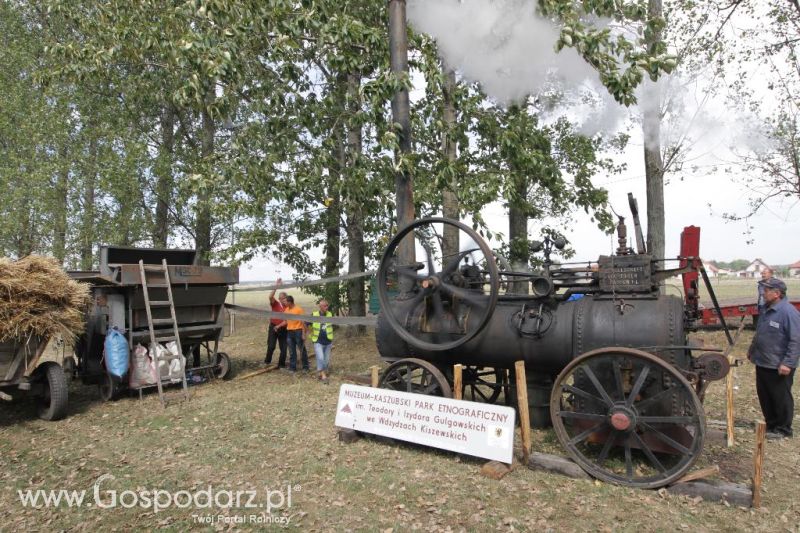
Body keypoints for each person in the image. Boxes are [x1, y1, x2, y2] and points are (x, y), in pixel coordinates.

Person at [747, 277, 799, 440]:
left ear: (777, 294)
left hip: (779, 365)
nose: (763, 293)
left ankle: (783, 429)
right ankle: (771, 424)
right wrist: (752, 350)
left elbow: (796, 340)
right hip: (763, 362)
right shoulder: (766, 309)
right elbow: (760, 333)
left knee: (780, 396)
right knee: (765, 395)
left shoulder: (788, 313)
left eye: (767, 290)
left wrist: (788, 363)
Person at [280, 295, 309, 373]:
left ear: (290, 302)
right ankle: (293, 367)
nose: (284, 303)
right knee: (291, 351)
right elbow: (286, 321)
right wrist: (278, 326)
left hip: (298, 331)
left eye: (285, 301)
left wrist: (303, 333)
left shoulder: (298, 309)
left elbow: (303, 322)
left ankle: (305, 367)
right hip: (289, 332)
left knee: (302, 350)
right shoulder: (286, 310)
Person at [265, 279, 288, 367]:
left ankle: (281, 365)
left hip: (283, 329)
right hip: (273, 327)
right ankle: (267, 362)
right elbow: (270, 297)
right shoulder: (275, 304)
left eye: (283, 298)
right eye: (280, 298)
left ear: (286, 298)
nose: (281, 300)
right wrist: (276, 286)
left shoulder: (289, 307)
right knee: (271, 346)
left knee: (284, 348)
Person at [310, 299, 334, 383]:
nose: (327, 307)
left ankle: (320, 372)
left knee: (326, 360)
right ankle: (323, 375)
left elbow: (331, 326)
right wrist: (308, 333)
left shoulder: (330, 314)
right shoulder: (314, 315)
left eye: (327, 305)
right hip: (318, 341)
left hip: (328, 341)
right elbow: (305, 323)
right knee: (320, 357)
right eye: (325, 306)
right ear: (320, 307)